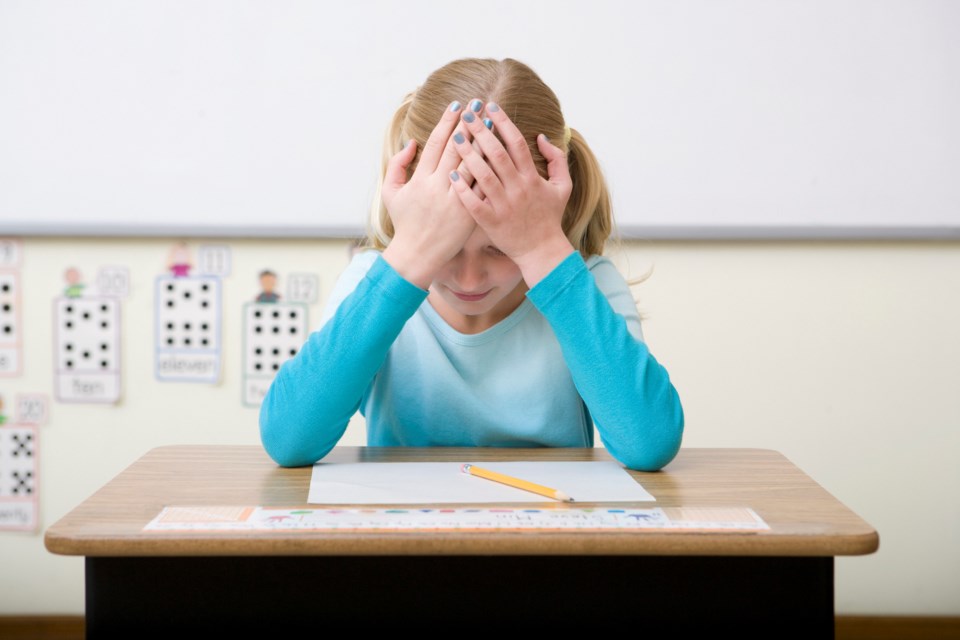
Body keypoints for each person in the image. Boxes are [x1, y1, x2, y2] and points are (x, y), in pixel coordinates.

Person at [260, 57, 683, 472]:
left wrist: (542, 253)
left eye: (499, 248)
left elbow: (649, 443)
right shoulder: (376, 279)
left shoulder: (585, 282)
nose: (469, 278)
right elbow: (288, 440)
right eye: (446, 249)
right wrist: (410, 257)